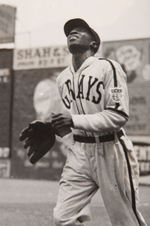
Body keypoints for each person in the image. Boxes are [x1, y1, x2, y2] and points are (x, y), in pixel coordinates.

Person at [51, 18, 147, 226]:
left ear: (94, 44)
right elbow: (71, 120)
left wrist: (73, 120)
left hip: (111, 149)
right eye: (69, 32)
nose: (72, 33)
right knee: (63, 217)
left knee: (125, 221)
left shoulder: (108, 67)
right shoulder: (62, 79)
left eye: (79, 31)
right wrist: (53, 129)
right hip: (80, 153)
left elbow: (118, 116)